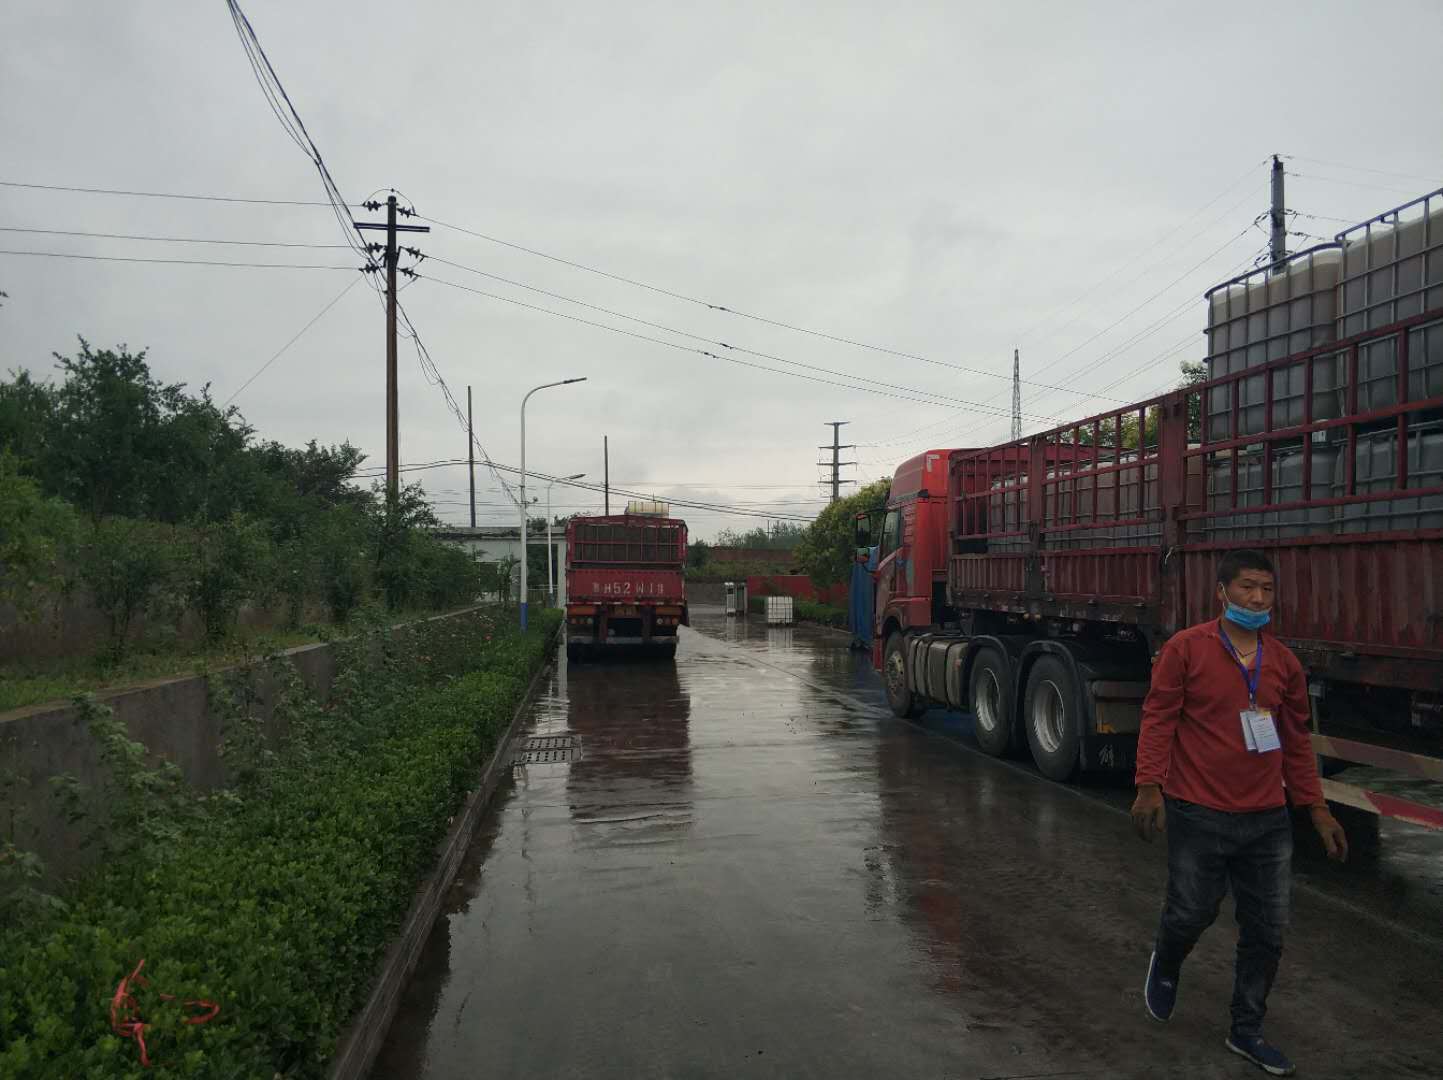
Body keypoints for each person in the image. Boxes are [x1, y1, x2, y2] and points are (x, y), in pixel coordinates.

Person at [1131, 548, 1347, 1077]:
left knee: (1268, 931)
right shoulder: (1187, 649)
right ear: (1222, 592)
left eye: (1266, 589)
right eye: (1247, 587)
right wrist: (1149, 786)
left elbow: (1296, 741)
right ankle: (1167, 960)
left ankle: (1246, 1029)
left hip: (1267, 819)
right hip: (1198, 811)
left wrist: (1316, 807)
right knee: (1192, 911)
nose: (1257, 598)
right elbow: (1159, 718)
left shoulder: (1283, 664)